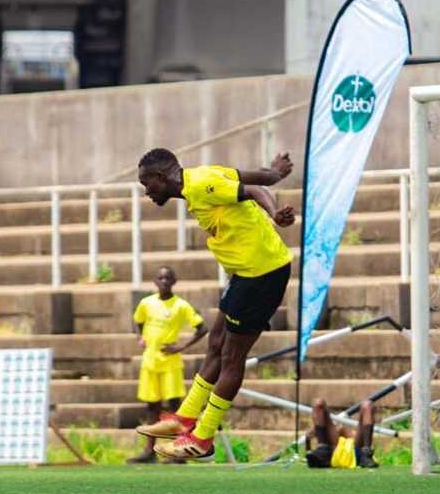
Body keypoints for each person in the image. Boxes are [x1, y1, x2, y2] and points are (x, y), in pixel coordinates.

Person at [135, 149, 296, 460]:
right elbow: (263, 179)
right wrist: (276, 172)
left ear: (161, 177)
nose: (146, 192)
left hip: (261, 273)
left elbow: (255, 190)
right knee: (216, 344)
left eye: (147, 184)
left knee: (232, 357)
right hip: (244, 273)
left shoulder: (200, 185)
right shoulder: (202, 177)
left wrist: (274, 214)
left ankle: (203, 437)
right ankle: (185, 418)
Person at [128, 266, 209, 464]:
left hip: (170, 363)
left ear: (174, 281)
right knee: (151, 406)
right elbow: (137, 320)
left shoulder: (180, 305)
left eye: (168, 278)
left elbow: (202, 328)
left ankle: (180, 450)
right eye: (160, 278)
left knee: (176, 408)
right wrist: (140, 337)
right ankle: (150, 450)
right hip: (150, 361)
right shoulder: (146, 303)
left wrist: (181, 347)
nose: (164, 281)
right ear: (155, 282)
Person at [306, 398, 379, 470]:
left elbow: (348, 434)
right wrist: (307, 441)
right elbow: (309, 455)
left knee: (367, 404)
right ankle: (322, 449)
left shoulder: (347, 433)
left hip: (355, 452)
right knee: (318, 402)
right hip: (330, 453)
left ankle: (366, 453)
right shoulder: (330, 436)